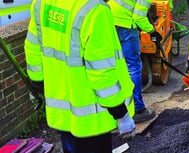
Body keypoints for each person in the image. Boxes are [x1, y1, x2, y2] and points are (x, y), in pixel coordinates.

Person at [24, 0, 136, 152]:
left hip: (63, 109)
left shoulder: (42, 3)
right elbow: (102, 71)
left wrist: (39, 85)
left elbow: (32, 49)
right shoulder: (95, 10)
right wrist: (120, 113)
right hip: (91, 116)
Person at [108, 0, 162, 123]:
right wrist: (152, 31)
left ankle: (116, 108)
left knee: (116, 66)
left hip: (109, 21)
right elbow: (138, 17)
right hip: (126, 27)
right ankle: (138, 109)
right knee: (132, 67)